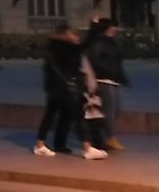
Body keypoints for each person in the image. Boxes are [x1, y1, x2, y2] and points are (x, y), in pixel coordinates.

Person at [33, 25, 108, 160]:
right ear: (66, 35)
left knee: (54, 116)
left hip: (55, 87)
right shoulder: (68, 48)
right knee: (78, 116)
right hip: (68, 87)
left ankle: (42, 145)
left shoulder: (53, 48)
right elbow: (86, 44)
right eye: (74, 34)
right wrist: (94, 27)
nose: (77, 37)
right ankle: (87, 148)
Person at [85, 17, 129, 150]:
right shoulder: (98, 43)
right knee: (109, 110)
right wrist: (106, 70)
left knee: (115, 109)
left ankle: (104, 136)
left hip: (112, 79)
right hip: (103, 80)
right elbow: (93, 59)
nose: (114, 29)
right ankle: (110, 137)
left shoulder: (110, 42)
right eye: (112, 26)